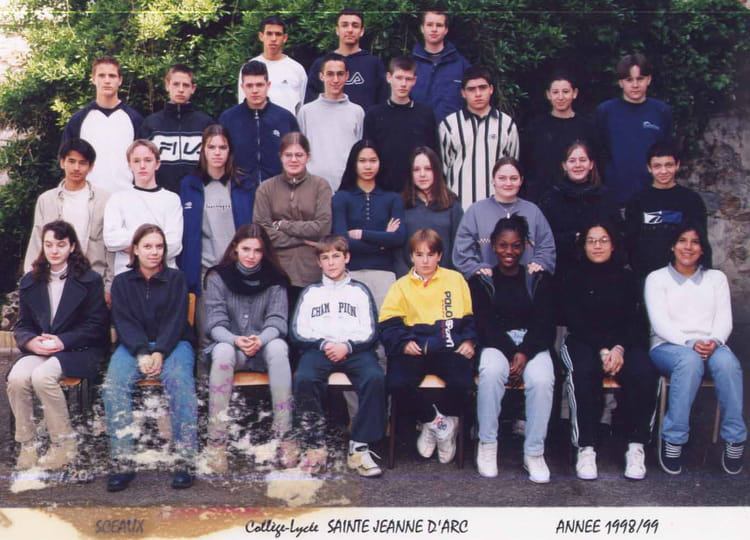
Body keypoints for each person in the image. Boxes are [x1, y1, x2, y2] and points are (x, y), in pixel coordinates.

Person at [102, 224, 198, 492]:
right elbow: (123, 321)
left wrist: (159, 351)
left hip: (174, 343)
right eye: (147, 246)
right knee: (113, 386)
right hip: (133, 346)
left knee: (180, 383)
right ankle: (123, 462)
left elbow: (176, 320)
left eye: (159, 246)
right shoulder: (122, 282)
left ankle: (185, 460)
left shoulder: (176, 279)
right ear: (135, 249)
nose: (154, 252)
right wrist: (142, 351)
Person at [645, 223, 746, 475]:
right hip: (669, 346)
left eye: (695, 242)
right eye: (682, 240)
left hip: (712, 344)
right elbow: (660, 323)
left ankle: (735, 438)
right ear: (672, 246)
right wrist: (690, 343)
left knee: (728, 364)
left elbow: (724, 320)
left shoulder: (716, 279)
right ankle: (674, 438)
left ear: (702, 249)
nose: (688, 247)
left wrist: (714, 341)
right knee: (689, 361)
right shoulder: (657, 278)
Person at [559, 221, 657, 481]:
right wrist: (603, 350)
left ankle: (636, 446)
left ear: (613, 245)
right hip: (584, 341)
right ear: (583, 245)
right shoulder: (573, 276)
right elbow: (575, 320)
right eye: (591, 240)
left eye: (603, 240)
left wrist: (619, 348)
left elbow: (634, 321)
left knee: (644, 371)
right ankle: (586, 447)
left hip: (622, 344)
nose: (597, 246)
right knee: (584, 371)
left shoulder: (628, 277)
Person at [9, 220, 109, 470]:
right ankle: (28, 443)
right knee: (17, 378)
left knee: (43, 377)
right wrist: (31, 342)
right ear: (42, 246)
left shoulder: (90, 280)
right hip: (42, 348)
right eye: (49, 244)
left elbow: (96, 326)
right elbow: (23, 325)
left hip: (80, 350)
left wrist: (63, 341)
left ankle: (63, 444)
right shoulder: (30, 281)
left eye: (61, 244)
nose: (54, 250)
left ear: (72, 247)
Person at [469, 215, 555, 482]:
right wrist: (511, 351)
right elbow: (485, 325)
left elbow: (545, 324)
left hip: (532, 345)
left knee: (542, 380)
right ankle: (487, 444)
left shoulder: (538, 279)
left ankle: (534, 452)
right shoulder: (483, 281)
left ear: (525, 246)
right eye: (503, 245)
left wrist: (524, 352)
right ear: (493, 245)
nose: (509, 251)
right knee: (492, 372)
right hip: (497, 344)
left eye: (516, 246)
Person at [290, 235, 385, 476]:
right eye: (325, 258)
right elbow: (298, 331)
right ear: (319, 262)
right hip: (319, 349)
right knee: (304, 379)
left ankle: (359, 447)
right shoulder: (311, 292)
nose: (331, 263)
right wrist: (324, 344)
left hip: (355, 349)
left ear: (347, 258)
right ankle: (314, 447)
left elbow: (371, 330)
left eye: (336, 256)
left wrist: (347, 346)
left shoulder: (359, 291)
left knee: (375, 378)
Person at [379, 229, 476, 465]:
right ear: (411, 256)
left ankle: (448, 424)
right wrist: (404, 342)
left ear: (439, 256)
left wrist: (469, 341)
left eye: (430, 255)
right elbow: (388, 323)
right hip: (415, 347)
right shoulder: (401, 286)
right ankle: (436, 423)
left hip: (449, 346)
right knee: (397, 383)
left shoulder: (455, 279)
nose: (425, 261)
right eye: (419, 255)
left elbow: (470, 317)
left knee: (463, 381)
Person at [201, 224, 292, 473]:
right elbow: (215, 323)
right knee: (222, 351)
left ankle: (285, 436)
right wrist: (235, 340)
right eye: (246, 249)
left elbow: (277, 320)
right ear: (235, 248)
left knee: (278, 347)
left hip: (264, 347)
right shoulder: (218, 276)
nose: (251, 256)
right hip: (231, 346)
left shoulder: (275, 278)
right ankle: (216, 441)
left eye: (257, 250)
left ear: (264, 252)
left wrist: (260, 340)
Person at [24, 138, 114, 295]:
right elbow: (37, 241)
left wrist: (109, 286)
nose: (76, 168)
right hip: (53, 281)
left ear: (91, 167)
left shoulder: (104, 200)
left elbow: (110, 247)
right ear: (62, 162)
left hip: (92, 279)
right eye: (71, 161)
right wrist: (30, 280)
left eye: (82, 163)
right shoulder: (47, 200)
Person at [253, 132, 332, 307]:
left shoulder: (320, 186)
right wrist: (302, 240)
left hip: (311, 271)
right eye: (288, 155)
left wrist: (283, 225)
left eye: (299, 155)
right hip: (276, 269)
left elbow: (323, 227)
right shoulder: (266, 188)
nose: (294, 160)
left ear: (308, 157)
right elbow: (262, 231)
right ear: (280, 156)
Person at [179, 124, 257, 298]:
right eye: (211, 147)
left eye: (222, 147)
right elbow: (187, 234)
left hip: (239, 272)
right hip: (204, 274)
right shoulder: (189, 185)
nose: (217, 152)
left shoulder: (244, 185)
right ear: (203, 150)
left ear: (230, 151)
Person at [453, 157, 556, 279]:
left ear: (521, 180)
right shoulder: (475, 211)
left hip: (526, 284)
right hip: (486, 284)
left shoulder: (533, 211)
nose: (508, 183)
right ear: (493, 180)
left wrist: (540, 263)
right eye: (502, 178)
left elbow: (546, 246)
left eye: (514, 178)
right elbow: (462, 250)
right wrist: (476, 268)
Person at [332, 139, 405, 308]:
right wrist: (383, 241)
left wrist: (362, 234)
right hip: (350, 273)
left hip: (384, 273)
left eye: (373, 160)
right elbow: (341, 242)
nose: (368, 166)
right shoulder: (341, 198)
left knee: (385, 321)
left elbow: (399, 238)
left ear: (380, 162)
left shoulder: (393, 198)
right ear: (354, 163)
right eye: (362, 161)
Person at [595, 53, 673, 206]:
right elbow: (598, 153)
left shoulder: (661, 111)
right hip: (615, 198)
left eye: (640, 79)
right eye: (629, 80)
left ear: (649, 79)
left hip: (653, 198)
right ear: (620, 82)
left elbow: (667, 154)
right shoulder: (605, 111)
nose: (635, 85)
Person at [625, 142, 709, 281]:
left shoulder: (692, 200)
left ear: (677, 165)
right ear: (649, 168)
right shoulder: (637, 201)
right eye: (657, 166)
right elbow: (631, 243)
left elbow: (701, 242)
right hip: (646, 275)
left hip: (682, 275)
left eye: (668, 165)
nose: (663, 171)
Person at [440, 66, 519, 210]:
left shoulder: (506, 125)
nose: (478, 94)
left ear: (491, 89)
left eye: (482, 88)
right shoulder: (449, 125)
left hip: (497, 207)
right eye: (471, 89)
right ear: (463, 93)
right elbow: (443, 169)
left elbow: (512, 168)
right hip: (459, 206)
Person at [62, 56, 143, 193]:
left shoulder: (135, 119)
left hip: (126, 196)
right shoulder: (78, 120)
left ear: (120, 80)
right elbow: (66, 161)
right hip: (88, 197)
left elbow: (144, 163)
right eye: (101, 75)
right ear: (93, 79)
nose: (107, 80)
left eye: (112, 76)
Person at [539, 141, 619, 277]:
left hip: (601, 271)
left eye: (583, 160)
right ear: (564, 166)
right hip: (563, 271)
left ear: (591, 164)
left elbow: (615, 234)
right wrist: (574, 238)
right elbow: (545, 238)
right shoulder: (551, 198)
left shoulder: (605, 197)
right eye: (572, 161)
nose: (578, 165)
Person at [104, 139, 183, 275]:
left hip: (164, 277)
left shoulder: (172, 199)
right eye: (136, 161)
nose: (142, 166)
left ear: (157, 164)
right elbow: (111, 240)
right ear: (129, 165)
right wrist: (156, 242)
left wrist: (134, 246)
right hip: (127, 276)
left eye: (148, 160)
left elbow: (174, 245)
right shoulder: (117, 199)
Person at [363, 56, 439, 193]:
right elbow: (368, 155)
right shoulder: (374, 115)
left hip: (418, 191)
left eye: (408, 79)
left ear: (414, 81)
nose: (403, 84)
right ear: (388, 77)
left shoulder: (425, 114)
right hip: (384, 191)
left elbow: (433, 155)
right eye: (399, 78)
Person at [219, 60, 299, 184]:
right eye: (249, 85)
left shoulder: (285, 118)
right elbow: (220, 155)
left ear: (268, 85)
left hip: (278, 189)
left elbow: (297, 156)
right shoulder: (228, 119)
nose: (255, 90)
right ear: (242, 87)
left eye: (259, 85)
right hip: (240, 189)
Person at [520, 72, 595, 203]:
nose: (560, 97)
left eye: (565, 92)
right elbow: (526, 165)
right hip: (541, 198)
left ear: (575, 93)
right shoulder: (535, 127)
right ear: (548, 94)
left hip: (578, 198)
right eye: (555, 92)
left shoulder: (586, 128)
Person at [138, 64, 213, 194]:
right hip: (160, 197)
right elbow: (140, 163)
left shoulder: (205, 124)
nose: (181, 89)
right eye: (176, 84)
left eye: (186, 85)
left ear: (193, 88)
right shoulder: (151, 123)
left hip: (197, 196)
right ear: (167, 85)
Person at [297, 53, 364, 191]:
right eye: (330, 74)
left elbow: (360, 153)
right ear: (321, 76)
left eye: (340, 74)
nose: (335, 80)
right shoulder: (306, 112)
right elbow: (300, 151)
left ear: (347, 76)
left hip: (347, 189)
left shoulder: (357, 112)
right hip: (313, 189)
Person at [304, 8, 387, 112]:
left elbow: (383, 103)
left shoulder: (374, 64)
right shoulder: (321, 64)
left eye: (355, 25)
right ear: (337, 30)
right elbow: (311, 105)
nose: (350, 30)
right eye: (344, 25)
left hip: (365, 122)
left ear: (362, 31)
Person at [397, 146, 462, 276]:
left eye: (428, 168)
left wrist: (449, 278)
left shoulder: (452, 204)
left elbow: (459, 247)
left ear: (436, 171)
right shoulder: (401, 204)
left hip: (445, 279)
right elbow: (396, 252)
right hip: (410, 281)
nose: (422, 174)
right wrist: (407, 278)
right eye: (416, 170)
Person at [236, 15, 307, 115]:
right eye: (269, 34)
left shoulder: (297, 69)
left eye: (278, 34)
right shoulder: (249, 68)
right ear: (261, 36)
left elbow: (302, 109)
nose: (273, 38)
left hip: (288, 124)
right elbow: (242, 105)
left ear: (285, 38)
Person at [410, 10, 471, 122]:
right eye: (429, 25)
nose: (434, 29)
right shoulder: (409, 64)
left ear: (446, 30)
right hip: (417, 129)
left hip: (452, 130)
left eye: (439, 25)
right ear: (422, 28)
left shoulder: (461, 65)